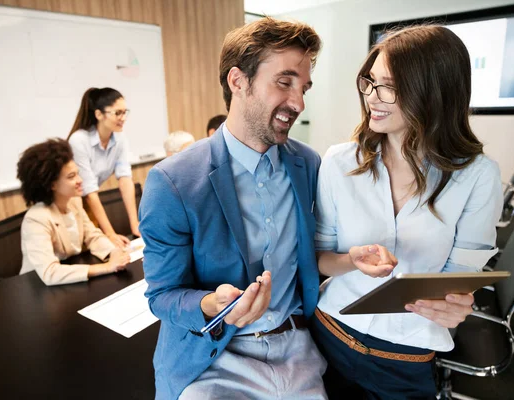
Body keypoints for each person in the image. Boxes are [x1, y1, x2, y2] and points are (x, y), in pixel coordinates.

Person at [310, 25, 502, 400]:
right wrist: (351, 260)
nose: (372, 98)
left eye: (389, 87)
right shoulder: (338, 162)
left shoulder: (477, 175)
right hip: (329, 338)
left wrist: (456, 306)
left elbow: (462, 275)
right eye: (370, 82)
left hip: (405, 359)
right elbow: (319, 258)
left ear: (433, 93)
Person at [139, 17, 327, 400]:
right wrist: (211, 304)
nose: (299, 103)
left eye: (304, 88)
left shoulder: (307, 164)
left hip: (297, 351)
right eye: (284, 82)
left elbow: (317, 255)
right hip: (215, 357)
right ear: (238, 81)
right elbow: (162, 296)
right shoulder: (173, 182)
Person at [18, 139, 130, 286]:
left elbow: (92, 236)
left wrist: (113, 252)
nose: (80, 180)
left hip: (70, 282)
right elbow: (49, 272)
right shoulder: (36, 219)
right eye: (71, 177)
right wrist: (106, 267)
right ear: (52, 184)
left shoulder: (74, 202)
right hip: (36, 288)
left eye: (78, 173)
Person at [68, 87, 140, 248]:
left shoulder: (119, 138)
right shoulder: (79, 140)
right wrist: (110, 233)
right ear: (99, 114)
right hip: (70, 206)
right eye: (117, 113)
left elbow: (125, 179)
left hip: (87, 201)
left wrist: (135, 224)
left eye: (124, 112)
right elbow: (89, 190)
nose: (123, 118)